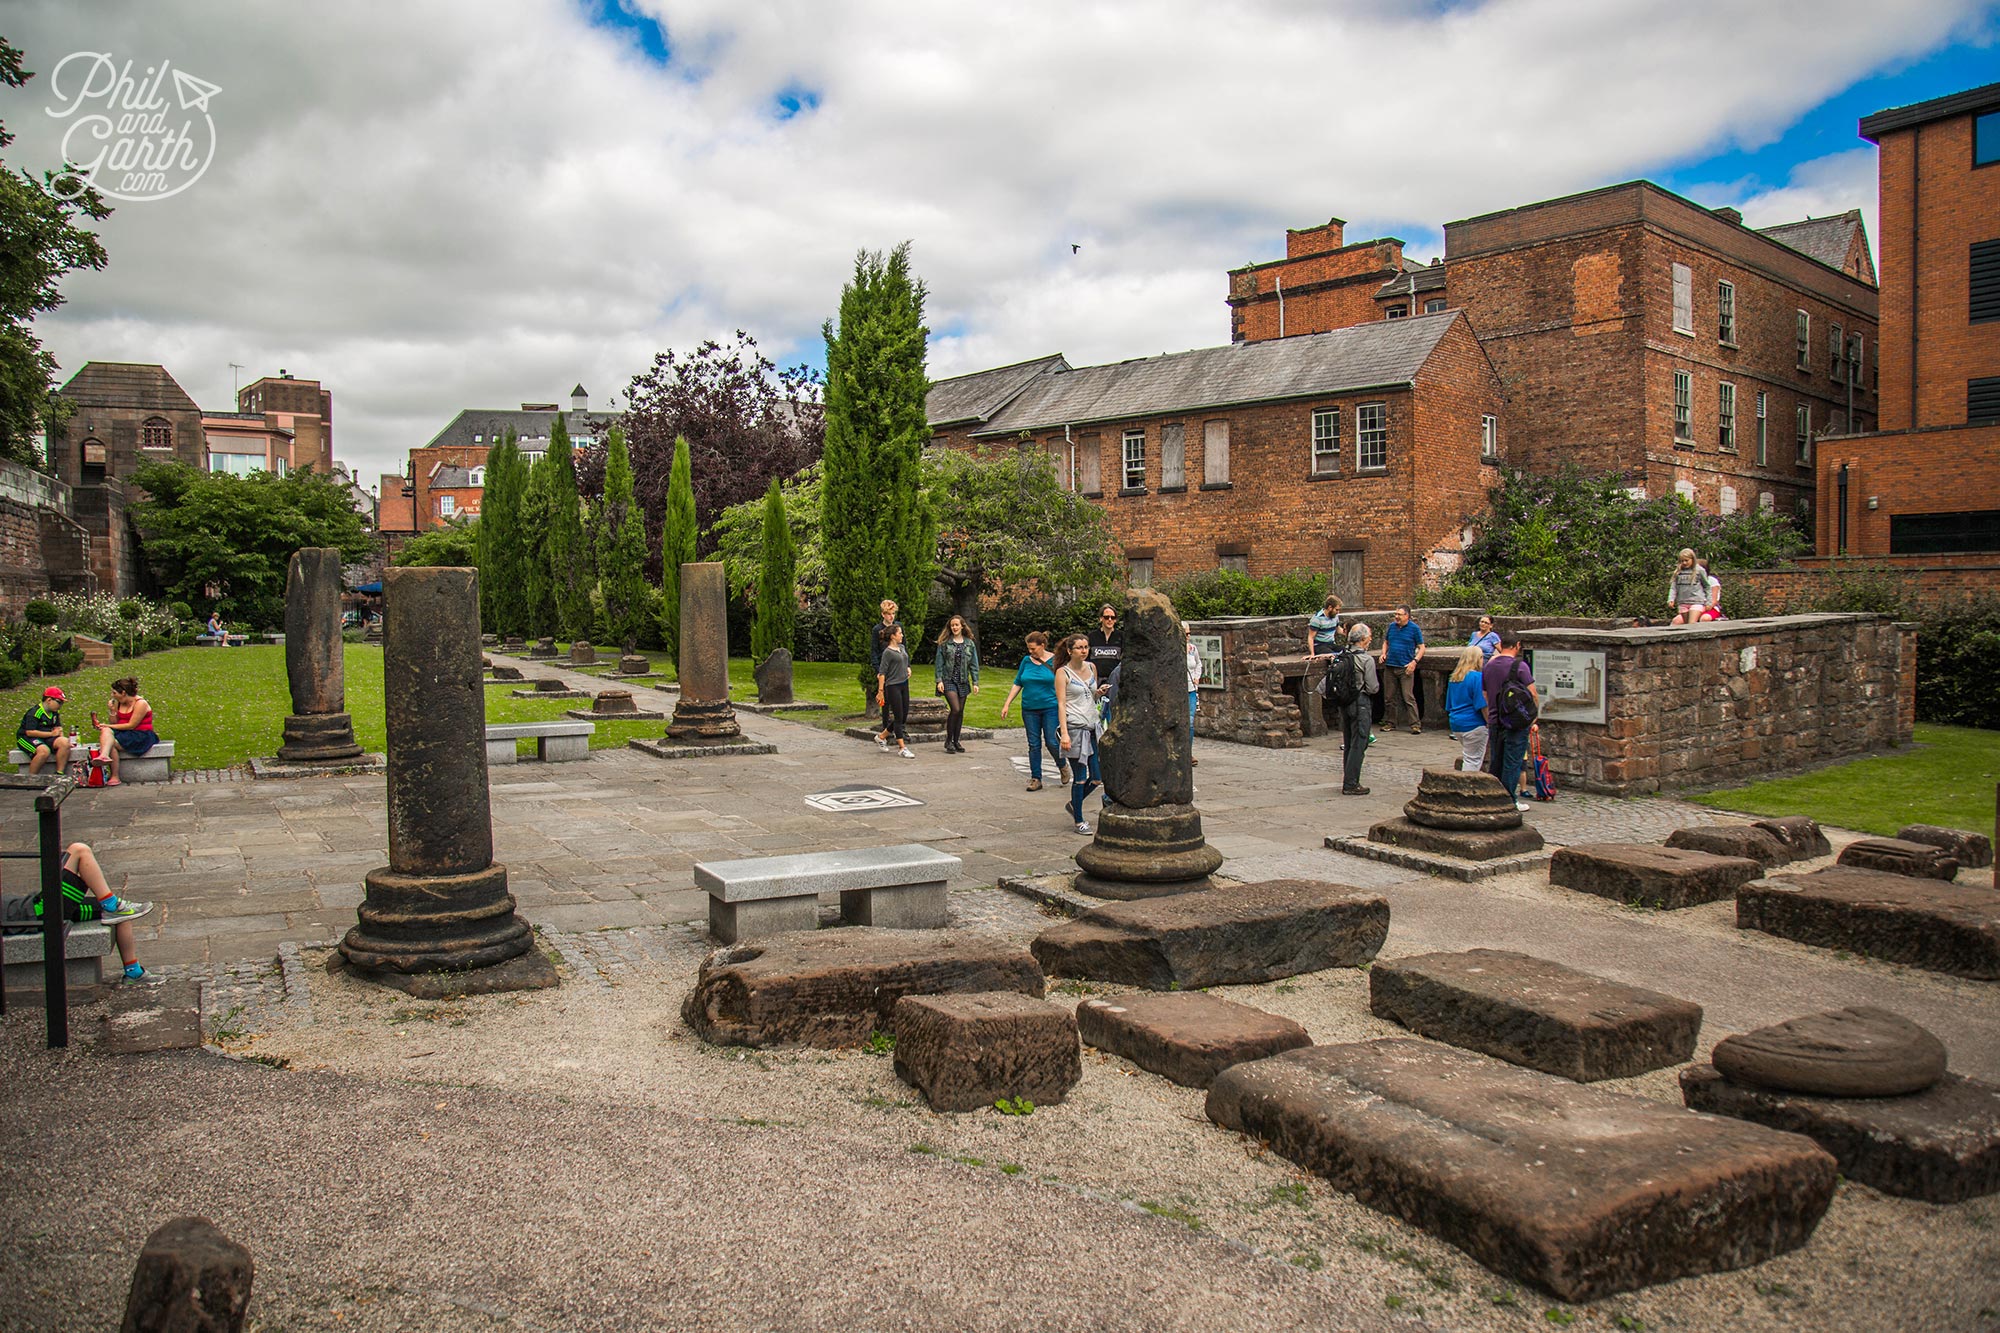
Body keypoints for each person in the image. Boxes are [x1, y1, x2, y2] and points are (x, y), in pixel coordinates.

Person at [1, 840, 153, 981]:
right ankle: (111, 905)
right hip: (40, 912)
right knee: (79, 850)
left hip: (35, 907)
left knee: (123, 914)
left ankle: (134, 973)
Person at [1482, 629, 1540, 811]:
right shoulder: (1520, 667)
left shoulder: (1489, 666)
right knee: (1513, 762)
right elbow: (1533, 694)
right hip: (1515, 722)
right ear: (1517, 646)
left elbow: (1485, 694)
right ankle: (1509, 800)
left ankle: (1493, 796)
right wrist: (1532, 718)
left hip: (1494, 720)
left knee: (1496, 761)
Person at [999, 631, 1061, 791]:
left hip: (1050, 707)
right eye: (1029, 649)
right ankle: (1036, 778)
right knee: (1034, 744)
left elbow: (1063, 683)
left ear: (1042, 646)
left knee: (1052, 742)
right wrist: (1007, 704)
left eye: (1033, 649)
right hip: (1029, 708)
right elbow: (1018, 682)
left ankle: (1062, 765)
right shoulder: (1026, 661)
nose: (1030, 652)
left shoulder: (1055, 660)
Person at [1054, 634, 1102, 834]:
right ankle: (1079, 820)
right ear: (1070, 650)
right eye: (1079, 647)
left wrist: (1099, 693)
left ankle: (1075, 803)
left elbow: (1089, 694)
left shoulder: (1091, 668)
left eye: (1086, 647)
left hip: (1092, 726)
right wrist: (1064, 733)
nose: (1084, 650)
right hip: (1074, 729)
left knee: (1097, 777)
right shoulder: (1062, 673)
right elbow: (1062, 703)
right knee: (1080, 777)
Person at [89, 676, 157, 787]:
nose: (112, 695)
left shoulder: (140, 703)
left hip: (140, 734)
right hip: (124, 733)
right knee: (106, 733)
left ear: (124, 693)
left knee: (109, 741)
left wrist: (108, 725)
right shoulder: (119, 703)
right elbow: (115, 722)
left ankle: (114, 774)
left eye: (114, 693)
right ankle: (104, 757)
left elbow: (131, 725)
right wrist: (112, 711)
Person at [1337, 624, 1380, 795]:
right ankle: (1351, 783)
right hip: (1360, 702)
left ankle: (1349, 778)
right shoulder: (1366, 659)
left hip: (1344, 702)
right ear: (1362, 640)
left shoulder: (1342, 655)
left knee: (1349, 742)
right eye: (1369, 636)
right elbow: (1373, 687)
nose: (1370, 639)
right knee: (1359, 742)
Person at [933, 616, 980, 754]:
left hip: (963, 681)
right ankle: (948, 740)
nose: (954, 627)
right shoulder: (945, 643)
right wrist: (939, 680)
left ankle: (956, 741)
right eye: (952, 625)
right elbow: (939, 663)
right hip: (948, 680)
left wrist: (975, 682)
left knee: (960, 712)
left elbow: (974, 664)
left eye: (957, 625)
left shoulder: (969, 644)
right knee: (955, 708)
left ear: (962, 626)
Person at [1379, 605, 1425, 733]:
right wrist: (1383, 653)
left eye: (1399, 614)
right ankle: (1391, 722)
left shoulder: (1414, 629)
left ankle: (1415, 724)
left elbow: (1421, 647)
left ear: (1407, 616)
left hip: (1405, 667)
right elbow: (1386, 642)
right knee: (1389, 697)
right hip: (1390, 666)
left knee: (1408, 697)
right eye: (1396, 614)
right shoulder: (1392, 627)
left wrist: (1414, 661)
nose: (1396, 617)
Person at [874, 625, 915, 760]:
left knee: (903, 717)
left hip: (904, 684)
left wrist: (907, 668)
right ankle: (902, 748)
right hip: (893, 686)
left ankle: (881, 737)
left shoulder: (902, 648)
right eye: (900, 633)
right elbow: (882, 673)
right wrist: (880, 691)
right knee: (898, 717)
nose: (902, 635)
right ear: (893, 636)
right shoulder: (887, 653)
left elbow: (904, 661)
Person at [1445, 647, 1489, 773]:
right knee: (1473, 760)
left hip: (1456, 723)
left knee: (1468, 755)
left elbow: (1449, 704)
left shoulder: (1454, 678)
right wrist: (1489, 722)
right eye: (1481, 657)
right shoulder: (1477, 677)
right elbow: (1482, 704)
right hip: (1474, 723)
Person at [869, 599, 905, 747]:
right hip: (885, 668)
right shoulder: (877, 629)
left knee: (901, 704)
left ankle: (898, 729)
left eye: (893, 613)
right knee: (886, 704)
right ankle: (886, 730)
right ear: (883, 614)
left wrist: (907, 665)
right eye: (889, 614)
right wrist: (878, 670)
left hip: (898, 665)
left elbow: (904, 647)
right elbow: (875, 651)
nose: (891, 617)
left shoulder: (898, 628)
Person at [16, 686, 72, 776]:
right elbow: (30, 732)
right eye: (59, 702)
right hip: (28, 738)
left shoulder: (54, 713)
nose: (61, 705)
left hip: (46, 737)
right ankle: (32, 778)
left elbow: (58, 728)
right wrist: (51, 733)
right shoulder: (35, 713)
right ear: (49, 700)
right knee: (44, 751)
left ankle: (59, 773)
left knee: (65, 742)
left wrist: (61, 736)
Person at [1668, 549, 1706, 625]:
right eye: (1682, 561)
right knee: (1686, 625)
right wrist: (1671, 599)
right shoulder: (1678, 572)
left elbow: (1707, 586)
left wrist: (1709, 601)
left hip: (1696, 601)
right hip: (1683, 602)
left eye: (1686, 560)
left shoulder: (1699, 570)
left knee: (1692, 623)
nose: (1684, 563)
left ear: (1692, 559)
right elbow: (1673, 587)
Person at [1305, 594, 1344, 660]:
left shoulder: (1335, 616)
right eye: (1336, 610)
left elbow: (1338, 629)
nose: (1338, 612)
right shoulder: (1317, 619)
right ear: (1330, 607)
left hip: (1331, 644)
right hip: (1319, 646)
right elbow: (1311, 637)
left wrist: (1348, 633)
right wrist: (1312, 654)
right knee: (1333, 657)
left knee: (1346, 652)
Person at [1185, 627, 1203, 765]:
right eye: (1185, 634)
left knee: (1190, 722)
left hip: (1191, 689)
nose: (1187, 636)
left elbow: (1198, 664)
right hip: (1178, 691)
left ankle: (1188, 753)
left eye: (1189, 633)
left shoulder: (1192, 649)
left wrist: (1197, 677)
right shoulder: (1173, 651)